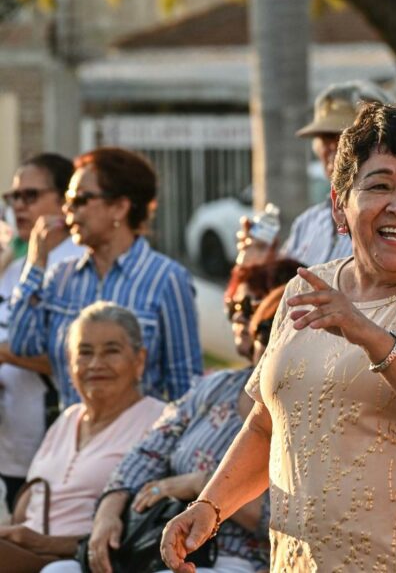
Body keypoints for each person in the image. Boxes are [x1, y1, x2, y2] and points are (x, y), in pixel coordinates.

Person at [161, 102, 396, 572]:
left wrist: (371, 335)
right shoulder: (304, 289)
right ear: (339, 205)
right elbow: (269, 425)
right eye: (380, 185)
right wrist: (210, 507)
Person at [48, 273, 296, 573]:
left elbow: (287, 518)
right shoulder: (216, 387)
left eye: (276, 330)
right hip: (160, 546)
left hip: (240, 558)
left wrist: (198, 485)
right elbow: (146, 453)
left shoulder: (306, 413)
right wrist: (108, 514)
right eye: (262, 329)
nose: (262, 339)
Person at [7, 147, 203, 407]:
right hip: (75, 439)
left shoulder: (166, 279)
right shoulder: (62, 277)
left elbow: (186, 387)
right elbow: (22, 344)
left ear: (119, 207)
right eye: (67, 201)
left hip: (141, 440)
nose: (68, 211)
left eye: (80, 200)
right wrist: (36, 262)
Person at [0, 302, 164, 572]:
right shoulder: (68, 418)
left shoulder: (160, 422)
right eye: (84, 353)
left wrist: (43, 543)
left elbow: (141, 533)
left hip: (80, 562)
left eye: (112, 351)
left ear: (139, 360)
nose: (96, 364)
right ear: (70, 364)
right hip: (24, 552)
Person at [0, 154, 84, 508]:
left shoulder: (77, 263)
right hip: (11, 445)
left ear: (63, 200)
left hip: (55, 439)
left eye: (30, 196)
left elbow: (76, 358)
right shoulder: (15, 266)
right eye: (13, 197)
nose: (19, 206)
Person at [238, 80, 395, 269]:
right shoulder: (308, 223)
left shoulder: (393, 221)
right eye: (325, 137)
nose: (332, 146)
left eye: (345, 136)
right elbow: (284, 292)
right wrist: (261, 265)